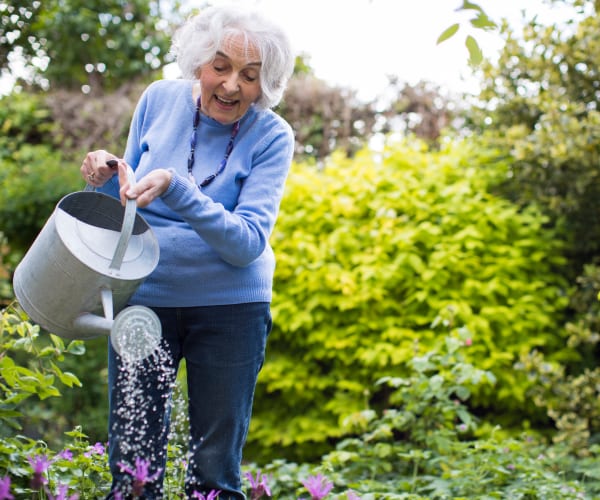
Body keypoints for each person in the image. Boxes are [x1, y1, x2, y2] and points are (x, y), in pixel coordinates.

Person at [80, 5, 295, 499]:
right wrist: (102, 173)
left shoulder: (272, 136)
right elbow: (125, 198)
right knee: (134, 469)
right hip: (144, 299)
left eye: (250, 75)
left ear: (267, 84)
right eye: (220, 66)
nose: (232, 85)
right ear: (198, 61)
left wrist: (177, 188)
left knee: (214, 474)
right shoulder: (158, 99)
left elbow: (246, 243)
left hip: (231, 310)